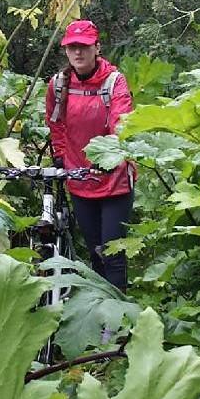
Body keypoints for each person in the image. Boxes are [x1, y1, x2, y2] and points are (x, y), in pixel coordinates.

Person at [45, 19, 135, 290]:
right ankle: (100, 316)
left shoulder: (113, 82)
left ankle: (117, 324)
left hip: (114, 179)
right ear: (66, 51)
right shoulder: (59, 85)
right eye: (72, 47)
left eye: (84, 46)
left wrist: (108, 158)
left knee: (113, 253)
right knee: (96, 252)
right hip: (79, 179)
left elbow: (122, 123)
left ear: (97, 47)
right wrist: (61, 155)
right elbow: (56, 123)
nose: (78, 53)